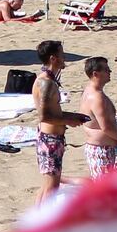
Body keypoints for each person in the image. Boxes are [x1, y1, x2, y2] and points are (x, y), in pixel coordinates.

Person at [33, 40, 88, 206]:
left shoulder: (48, 80)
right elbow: (44, 116)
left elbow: (53, 111)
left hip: (51, 138)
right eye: (62, 55)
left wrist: (74, 116)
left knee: (48, 185)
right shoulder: (46, 83)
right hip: (50, 140)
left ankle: (37, 221)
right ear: (53, 58)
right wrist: (69, 120)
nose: (65, 58)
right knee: (52, 187)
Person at [79, 57, 117, 179]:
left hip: (100, 148)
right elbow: (106, 128)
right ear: (95, 74)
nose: (110, 71)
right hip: (101, 150)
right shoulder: (96, 97)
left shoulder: (90, 91)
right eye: (106, 70)